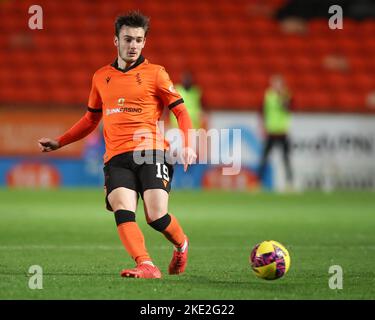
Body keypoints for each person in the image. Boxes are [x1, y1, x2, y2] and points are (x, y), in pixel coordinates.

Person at [38, 11, 197, 279]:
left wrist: (189, 144)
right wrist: (60, 142)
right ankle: (146, 264)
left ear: (144, 42)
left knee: (156, 217)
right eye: (127, 39)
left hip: (151, 152)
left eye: (138, 40)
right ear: (116, 40)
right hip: (116, 157)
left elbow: (181, 111)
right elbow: (91, 119)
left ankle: (181, 245)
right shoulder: (101, 77)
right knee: (123, 208)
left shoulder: (156, 74)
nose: (133, 45)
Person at [258, 74, 293, 189]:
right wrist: (262, 126)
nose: (276, 86)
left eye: (278, 83)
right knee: (264, 158)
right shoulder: (268, 95)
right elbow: (263, 111)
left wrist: (281, 97)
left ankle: (289, 184)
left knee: (286, 159)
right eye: (274, 83)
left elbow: (287, 108)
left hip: (282, 131)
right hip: (271, 132)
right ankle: (258, 184)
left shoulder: (286, 95)